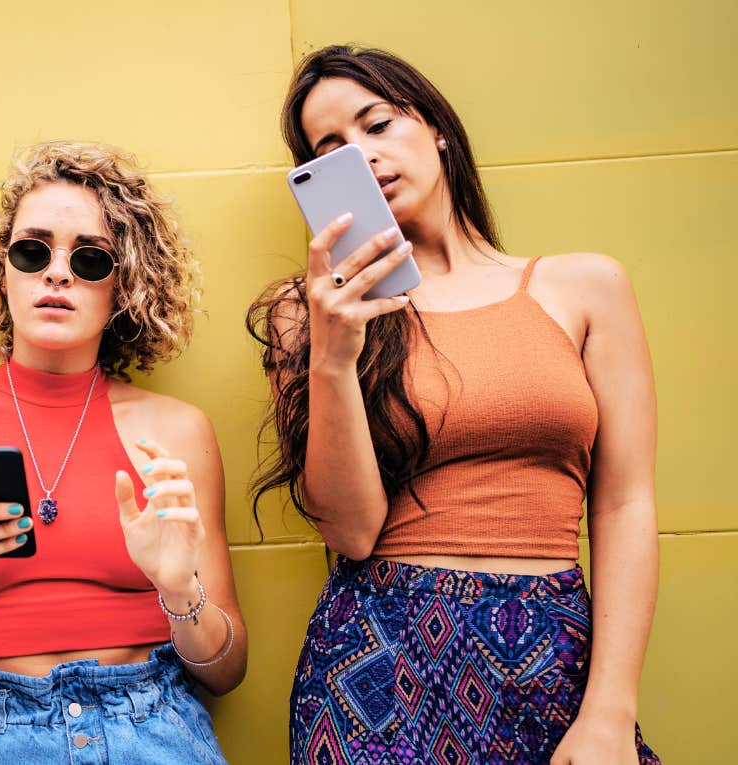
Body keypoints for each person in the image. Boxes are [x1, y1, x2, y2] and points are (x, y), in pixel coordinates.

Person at [248, 46, 661, 763]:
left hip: (553, 651)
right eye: (333, 150)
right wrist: (335, 352)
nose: (365, 155)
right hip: (375, 657)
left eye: (378, 123)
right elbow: (348, 531)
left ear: (436, 125)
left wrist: (611, 709)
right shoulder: (313, 311)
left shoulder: (585, 286)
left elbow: (625, 504)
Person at [0, 140, 247, 764]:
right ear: (5, 271)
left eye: (90, 259)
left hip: (154, 726)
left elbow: (226, 668)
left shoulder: (175, 430)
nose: (57, 273)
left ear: (126, 284)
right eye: (32, 250)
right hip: (3, 733)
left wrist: (177, 589)